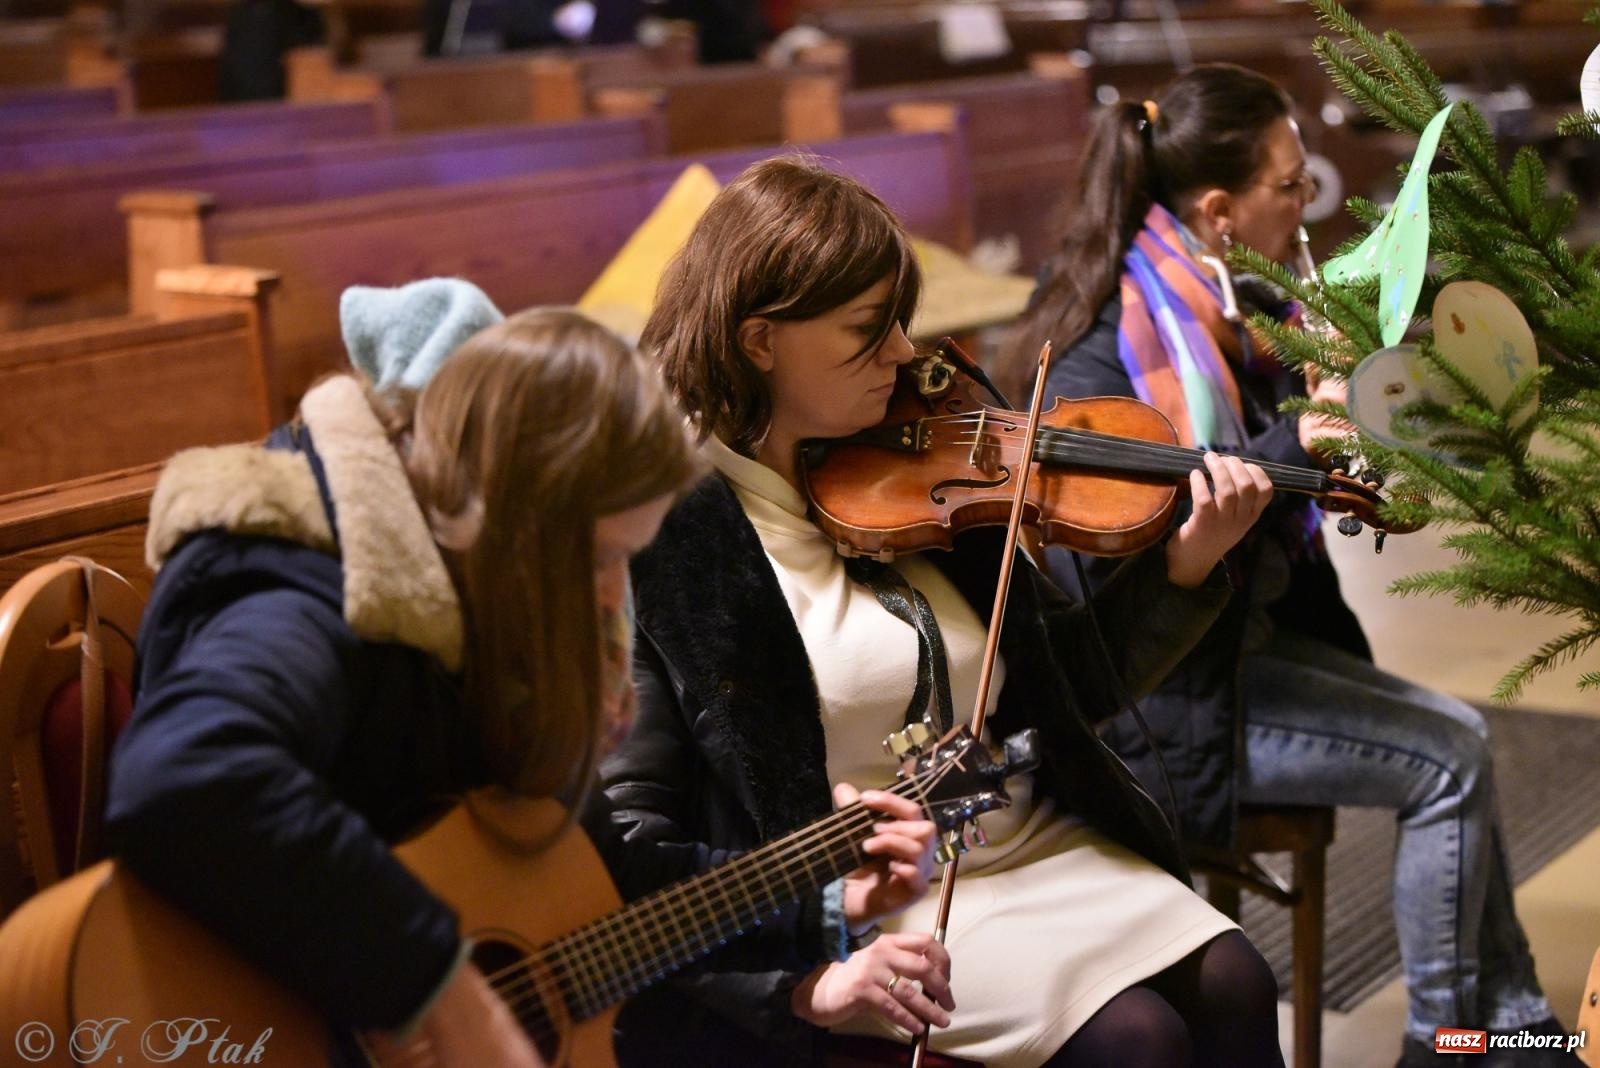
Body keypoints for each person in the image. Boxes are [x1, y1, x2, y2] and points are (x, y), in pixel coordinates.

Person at [105, 302, 940, 1066]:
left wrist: (819, 900)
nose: (612, 597)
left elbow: (592, 877)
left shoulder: (487, 593)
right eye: (600, 557)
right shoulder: (306, 597)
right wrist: (441, 987)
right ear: (510, 524)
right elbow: (186, 774)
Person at [596, 155, 1286, 1068]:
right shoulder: (671, 540)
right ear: (759, 341)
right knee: (1138, 1040)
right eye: (866, 330)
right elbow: (634, 842)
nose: (904, 354)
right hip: (868, 903)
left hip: (1030, 841)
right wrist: (793, 978)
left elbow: (1068, 688)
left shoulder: (930, 456)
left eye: (901, 322)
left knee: (1239, 980)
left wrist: (1184, 567)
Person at [1005, 63, 1575, 1068]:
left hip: (1243, 655)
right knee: (1449, 758)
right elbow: (1112, 605)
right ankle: (1443, 1047)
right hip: (1163, 703)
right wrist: (1295, 440)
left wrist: (1355, 429)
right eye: (1290, 184)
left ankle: (1513, 1028)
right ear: (1218, 212)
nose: (1307, 204)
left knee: (1463, 739)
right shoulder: (1103, 355)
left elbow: (1288, 482)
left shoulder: (1233, 309)